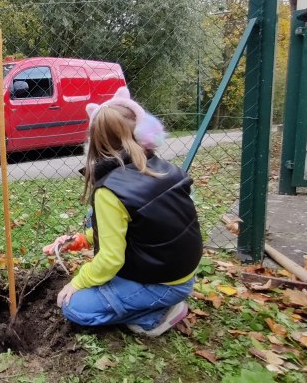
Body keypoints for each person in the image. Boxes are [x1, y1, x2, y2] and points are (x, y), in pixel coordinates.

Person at [43, 87, 202, 337]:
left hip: (163, 283)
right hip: (181, 274)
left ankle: (157, 314)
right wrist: (81, 240)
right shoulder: (166, 168)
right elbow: (143, 228)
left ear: (95, 143)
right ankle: (154, 299)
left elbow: (111, 260)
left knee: (73, 307)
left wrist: (77, 282)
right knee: (93, 221)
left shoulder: (110, 191)